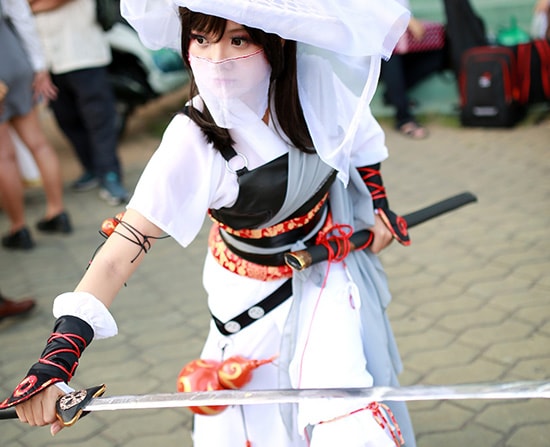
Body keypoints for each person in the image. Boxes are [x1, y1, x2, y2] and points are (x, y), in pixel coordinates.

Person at [1, 1, 417, 446]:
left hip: (328, 269)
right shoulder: (191, 137)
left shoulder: (317, 84)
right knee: (252, 416)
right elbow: (121, 251)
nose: (216, 59)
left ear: (273, 42)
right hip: (248, 295)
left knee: (342, 407)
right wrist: (57, 360)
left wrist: (379, 209)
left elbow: (361, 146)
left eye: (238, 39)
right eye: (201, 38)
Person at [28, 0, 129, 206]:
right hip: (47, 61)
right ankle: (91, 168)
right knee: (66, 119)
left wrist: (27, 7)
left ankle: (110, 175)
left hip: (83, 53)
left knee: (99, 120)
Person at [0, 0, 72, 251]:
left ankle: (19, 228)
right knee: (38, 143)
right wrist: (39, 66)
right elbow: (22, 16)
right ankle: (57, 212)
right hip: (14, 58)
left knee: (3, 157)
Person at [379, 0, 446, 139]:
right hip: (374, 51)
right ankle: (404, 118)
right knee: (391, 55)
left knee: (438, 55)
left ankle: (393, 95)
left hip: (402, 41)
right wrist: (409, 21)